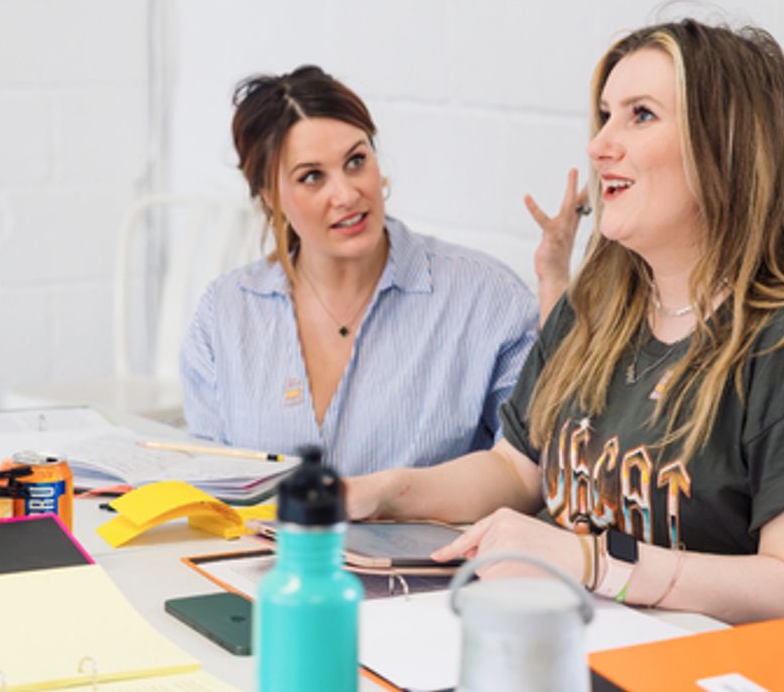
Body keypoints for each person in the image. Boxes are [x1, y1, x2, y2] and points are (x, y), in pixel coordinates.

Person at [347, 19, 784, 625]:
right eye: (605, 115)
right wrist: (387, 491)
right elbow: (516, 468)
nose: (599, 144)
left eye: (640, 115)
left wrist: (593, 562)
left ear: (726, 146)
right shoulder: (595, 311)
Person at [180, 65, 540, 477]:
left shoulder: (488, 301)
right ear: (269, 195)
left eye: (355, 161)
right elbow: (212, 483)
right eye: (312, 176)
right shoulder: (224, 313)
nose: (347, 194)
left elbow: (531, 475)